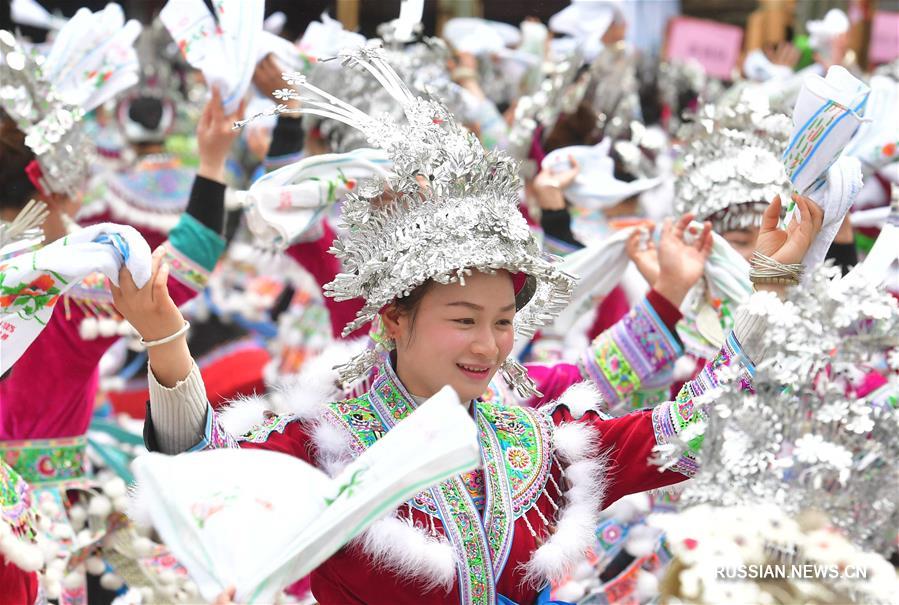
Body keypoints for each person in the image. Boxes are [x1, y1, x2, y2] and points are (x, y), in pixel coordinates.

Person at [113, 50, 825, 605]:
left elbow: (691, 428)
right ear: (393, 317)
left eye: (504, 321)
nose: (488, 345)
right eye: (462, 319)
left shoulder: (537, 442)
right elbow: (200, 474)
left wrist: (766, 288)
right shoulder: (323, 442)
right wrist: (167, 342)